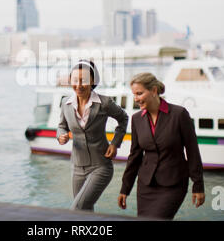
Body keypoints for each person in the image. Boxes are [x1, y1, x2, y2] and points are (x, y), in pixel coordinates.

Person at [118, 72, 205, 220]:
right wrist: (125, 188)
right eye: (134, 94)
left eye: (140, 93)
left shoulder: (179, 114)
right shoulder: (136, 119)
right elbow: (135, 156)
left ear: (153, 90)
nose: (136, 99)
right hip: (146, 186)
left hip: (173, 184)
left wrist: (198, 185)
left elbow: (192, 151)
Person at [57, 60, 128, 211]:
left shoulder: (104, 103)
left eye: (84, 80)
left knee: (78, 207)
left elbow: (123, 118)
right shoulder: (65, 103)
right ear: (70, 80)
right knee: (85, 211)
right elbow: (62, 126)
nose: (79, 85)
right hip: (77, 166)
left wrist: (115, 143)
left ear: (93, 81)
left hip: (100, 165)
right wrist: (61, 135)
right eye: (75, 80)